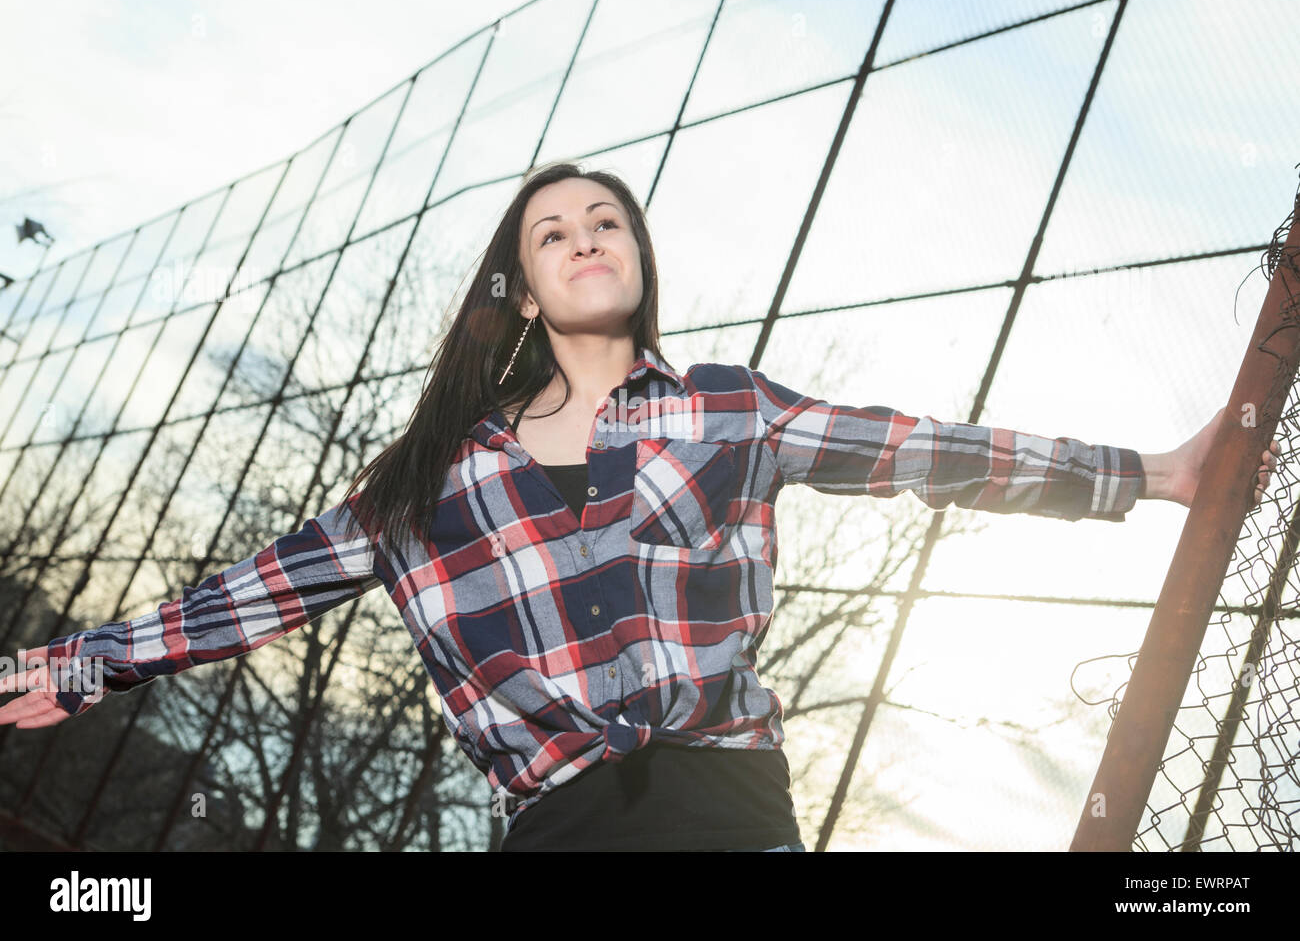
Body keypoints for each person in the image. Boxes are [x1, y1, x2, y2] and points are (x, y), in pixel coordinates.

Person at [0, 162, 1281, 852]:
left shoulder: (730, 411)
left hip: (730, 805)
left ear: (637, 257)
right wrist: (78, 661)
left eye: (606, 218)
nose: (586, 235)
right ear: (524, 280)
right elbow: (258, 589)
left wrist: (1154, 475)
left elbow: (921, 449)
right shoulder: (428, 480)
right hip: (556, 821)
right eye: (554, 230)